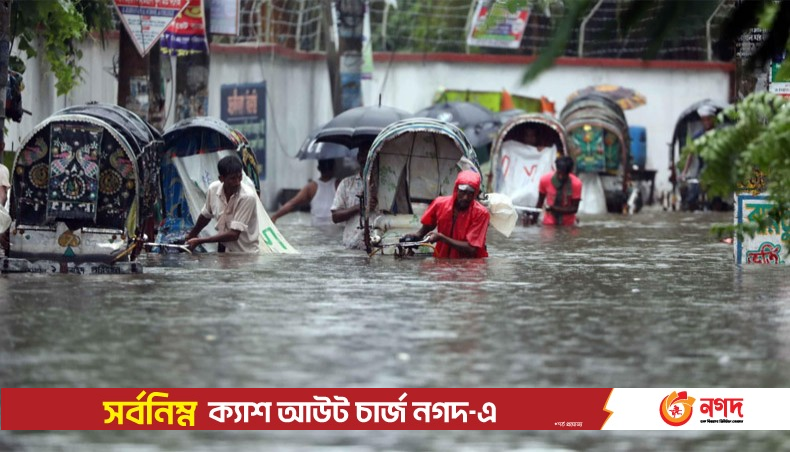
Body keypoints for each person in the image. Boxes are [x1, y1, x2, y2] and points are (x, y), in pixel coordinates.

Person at [402, 170, 489, 258]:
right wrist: (414, 237)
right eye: (462, 192)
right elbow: (425, 229)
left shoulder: (481, 213)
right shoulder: (439, 204)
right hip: (442, 259)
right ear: (456, 189)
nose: (465, 197)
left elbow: (471, 248)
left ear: (475, 194)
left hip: (470, 266)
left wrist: (442, 238)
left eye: (470, 194)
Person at [185, 155, 260, 253]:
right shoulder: (213, 189)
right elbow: (205, 216)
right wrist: (191, 235)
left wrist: (200, 241)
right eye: (233, 178)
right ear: (221, 178)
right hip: (224, 253)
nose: (237, 182)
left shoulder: (247, 197)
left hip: (245, 255)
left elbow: (234, 234)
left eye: (239, 177)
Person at [270, 159, 338, 226]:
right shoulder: (338, 184)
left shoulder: (311, 187)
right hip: (335, 228)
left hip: (318, 228)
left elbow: (292, 204)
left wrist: (274, 217)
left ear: (318, 168)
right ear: (334, 167)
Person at [331, 144, 372, 249]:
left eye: (370, 154)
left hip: (379, 246)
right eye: (363, 154)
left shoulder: (386, 185)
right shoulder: (346, 184)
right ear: (358, 157)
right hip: (351, 246)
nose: (366, 158)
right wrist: (359, 207)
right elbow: (335, 216)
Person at [680, 104, 717, 211]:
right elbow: (691, 155)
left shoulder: (719, 135)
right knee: (692, 197)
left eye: (708, 119)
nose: (706, 122)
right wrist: (684, 172)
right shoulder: (698, 136)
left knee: (716, 200)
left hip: (716, 170)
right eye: (704, 120)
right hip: (701, 171)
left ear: (713, 119)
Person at [530, 156, 582, 226]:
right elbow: (540, 203)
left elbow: (574, 209)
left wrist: (554, 209)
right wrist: (533, 222)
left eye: (564, 174)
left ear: (569, 172)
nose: (561, 176)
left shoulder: (576, 184)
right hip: (549, 223)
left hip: (569, 224)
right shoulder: (545, 180)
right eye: (559, 173)